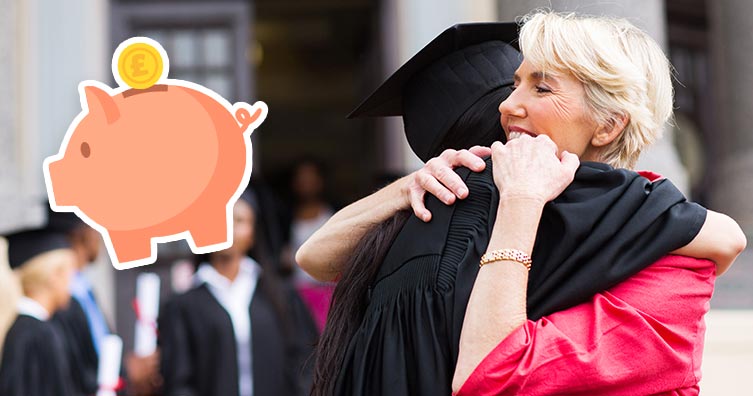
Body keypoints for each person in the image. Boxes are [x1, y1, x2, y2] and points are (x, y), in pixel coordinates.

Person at [299, 15, 746, 396]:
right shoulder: (441, 202)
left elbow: (494, 373)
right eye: (515, 83)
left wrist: (522, 200)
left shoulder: (649, 243)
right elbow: (313, 257)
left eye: (542, 88)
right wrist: (409, 186)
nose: (508, 105)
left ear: (608, 125)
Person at [158, 189, 318, 396]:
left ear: (253, 234)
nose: (228, 228)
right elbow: (178, 382)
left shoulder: (281, 297)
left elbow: (305, 364)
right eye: (220, 219)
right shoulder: (182, 306)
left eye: (239, 220)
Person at [49, 210, 161, 396]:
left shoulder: (85, 291)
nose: (101, 236)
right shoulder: (63, 303)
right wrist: (125, 372)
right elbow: (72, 371)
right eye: (97, 228)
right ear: (82, 233)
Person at [0, 226, 78, 396]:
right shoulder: (33, 334)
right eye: (70, 275)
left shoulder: (31, 329)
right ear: (53, 277)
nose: (72, 285)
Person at [285, 158, 336, 331]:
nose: (306, 184)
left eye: (310, 178)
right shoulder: (285, 218)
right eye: (301, 179)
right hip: (297, 290)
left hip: (327, 290)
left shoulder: (332, 215)